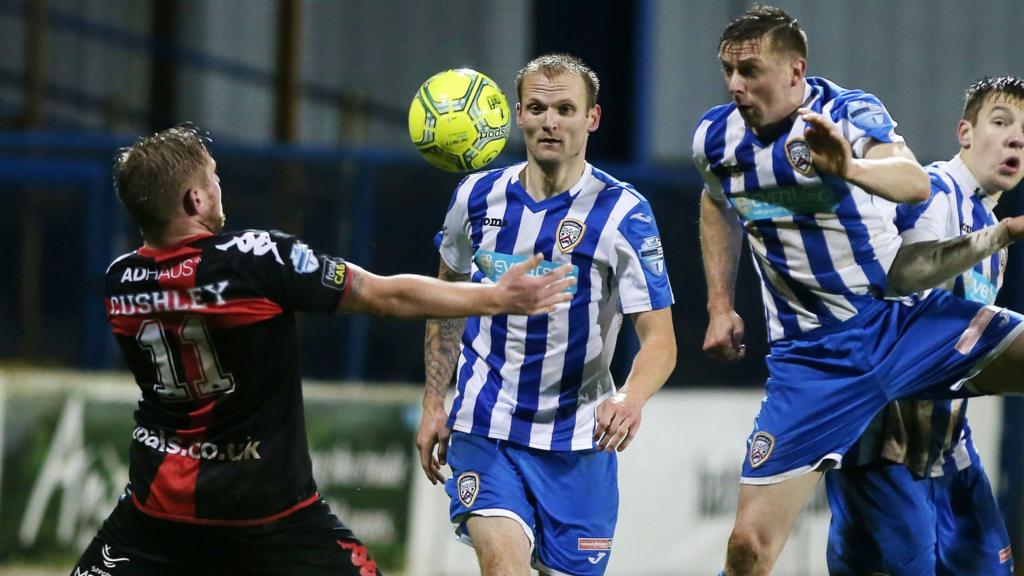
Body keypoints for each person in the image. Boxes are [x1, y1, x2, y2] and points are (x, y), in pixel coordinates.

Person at [71, 124, 576, 576]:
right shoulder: (255, 259)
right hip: (269, 516)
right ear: (194, 201)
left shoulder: (120, 281)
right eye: (213, 178)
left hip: (156, 515)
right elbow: (384, 295)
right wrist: (496, 297)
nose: (220, 186)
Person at [694, 5, 1024, 575]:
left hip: (896, 323)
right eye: (729, 70)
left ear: (796, 72)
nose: (735, 86)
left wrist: (848, 166)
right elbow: (714, 201)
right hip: (813, 361)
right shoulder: (716, 138)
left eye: (750, 71)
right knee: (748, 549)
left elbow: (911, 178)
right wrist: (720, 304)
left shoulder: (846, 112)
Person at [415, 53, 676, 576]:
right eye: (536, 107)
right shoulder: (474, 196)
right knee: (503, 564)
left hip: (578, 443)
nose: (549, 121)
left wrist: (631, 396)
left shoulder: (624, 214)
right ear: (517, 115)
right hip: (486, 427)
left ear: (591, 118)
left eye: (564, 109)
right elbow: (446, 306)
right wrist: (433, 403)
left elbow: (660, 339)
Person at [827, 75, 1024, 576]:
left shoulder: (987, 222)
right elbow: (903, 290)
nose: (1015, 138)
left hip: (949, 451)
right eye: (1001, 123)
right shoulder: (936, 193)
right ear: (965, 132)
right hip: (886, 451)